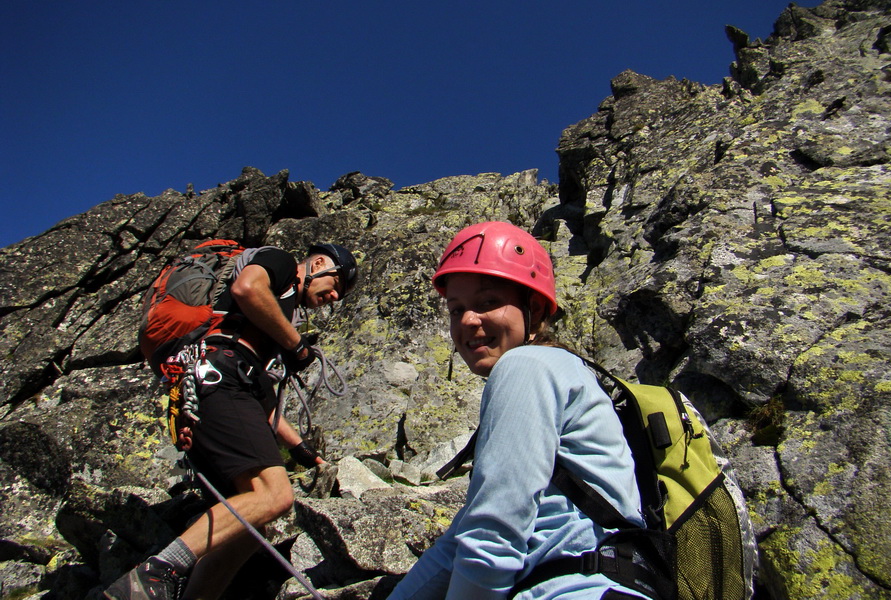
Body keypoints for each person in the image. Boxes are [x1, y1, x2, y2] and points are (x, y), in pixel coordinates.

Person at [386, 222, 651, 600]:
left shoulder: (526, 367)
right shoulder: (554, 374)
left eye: (488, 302)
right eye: (455, 309)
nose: (467, 321)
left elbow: (491, 536)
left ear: (536, 308)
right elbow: (457, 544)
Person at [104, 243, 358, 600]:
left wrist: (301, 449)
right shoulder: (281, 264)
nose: (333, 296)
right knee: (272, 495)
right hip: (219, 378)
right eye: (334, 285)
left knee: (250, 530)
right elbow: (247, 287)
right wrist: (296, 345)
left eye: (338, 295)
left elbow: (262, 402)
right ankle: (154, 576)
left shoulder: (273, 318)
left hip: (217, 388)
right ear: (317, 263)